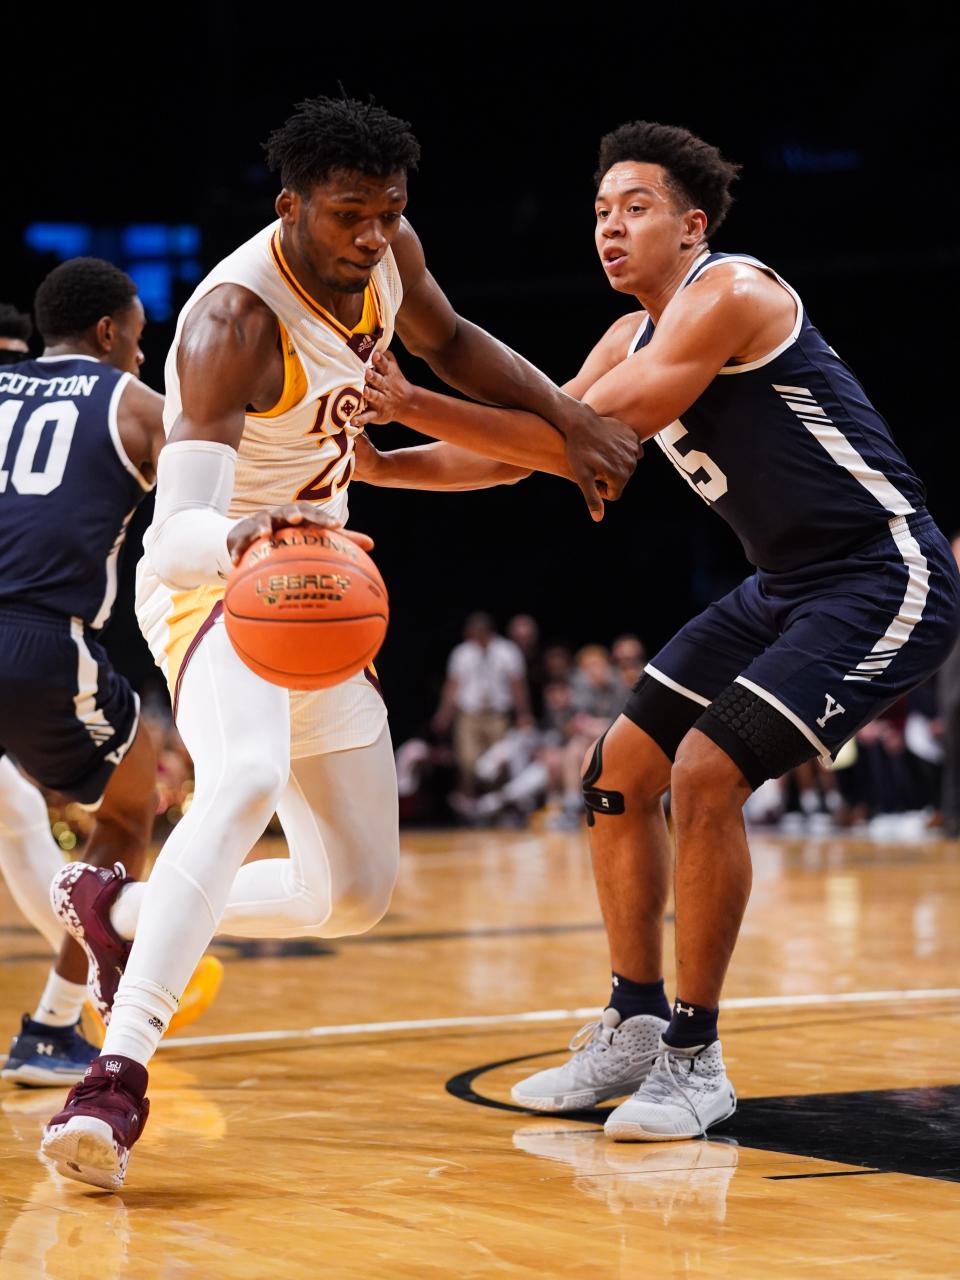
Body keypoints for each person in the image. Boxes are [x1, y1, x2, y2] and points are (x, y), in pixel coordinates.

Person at [40, 95, 638, 1189]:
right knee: (248, 778)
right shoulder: (234, 322)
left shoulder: (391, 253)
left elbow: (452, 343)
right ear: (292, 208)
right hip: (220, 588)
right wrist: (245, 533)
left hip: (321, 586)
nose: (372, 236)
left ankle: (118, 904)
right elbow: (168, 542)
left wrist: (569, 415)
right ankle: (113, 1075)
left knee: (352, 894)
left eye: (389, 213)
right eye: (349, 215)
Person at [358, 119, 960, 1141]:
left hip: (882, 570)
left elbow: (590, 439)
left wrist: (409, 394)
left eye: (634, 207)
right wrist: (378, 461)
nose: (610, 227)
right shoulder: (624, 336)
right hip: (785, 583)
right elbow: (517, 460)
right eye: (599, 212)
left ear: (691, 224)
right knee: (618, 770)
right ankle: (634, 1022)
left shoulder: (729, 293)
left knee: (706, 772)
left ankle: (695, 1058)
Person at [0, 259, 180, 1085]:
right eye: (139, 342)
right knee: (134, 807)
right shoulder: (136, 403)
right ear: (110, 334)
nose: (142, 357)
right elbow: (202, 518)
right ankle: (55, 1022)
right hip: (39, 641)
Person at [433, 612, 531, 796]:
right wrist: (443, 715)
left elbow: (518, 686)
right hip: (469, 715)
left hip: (497, 716)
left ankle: (495, 805)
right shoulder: (462, 653)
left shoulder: (507, 651)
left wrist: (523, 714)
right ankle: (471, 804)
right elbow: (452, 686)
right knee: (468, 761)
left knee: (498, 764)